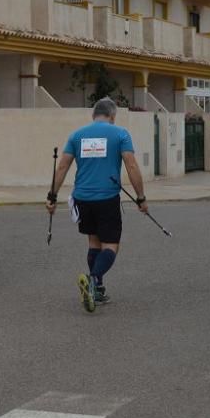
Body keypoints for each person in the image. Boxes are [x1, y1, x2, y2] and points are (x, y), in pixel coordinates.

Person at [46, 98, 148, 313]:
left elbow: (62, 166)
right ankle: (93, 281)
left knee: (94, 242)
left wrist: (52, 196)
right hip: (107, 197)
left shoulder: (76, 135)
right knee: (111, 245)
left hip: (82, 197)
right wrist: (140, 197)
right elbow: (131, 165)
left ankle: (98, 290)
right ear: (112, 115)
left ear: (94, 115)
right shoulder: (120, 133)